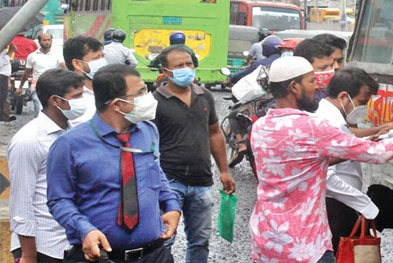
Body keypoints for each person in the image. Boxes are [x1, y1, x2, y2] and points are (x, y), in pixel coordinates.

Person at [250, 56, 393, 263]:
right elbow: (377, 154)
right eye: (311, 81)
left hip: (267, 239)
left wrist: (350, 149)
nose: (317, 87)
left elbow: (300, 165)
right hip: (304, 245)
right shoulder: (312, 128)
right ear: (294, 87)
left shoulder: (261, 126)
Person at [47, 64, 181, 263]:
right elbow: (59, 199)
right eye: (140, 93)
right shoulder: (69, 144)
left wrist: (172, 205)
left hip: (154, 255)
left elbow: (155, 172)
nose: (149, 97)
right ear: (116, 104)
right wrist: (84, 229)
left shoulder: (148, 131)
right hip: (99, 258)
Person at [152, 46, 235, 262]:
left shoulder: (204, 95)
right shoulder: (155, 102)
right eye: (179, 66)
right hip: (169, 183)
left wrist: (224, 171)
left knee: (200, 242)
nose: (186, 69)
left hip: (201, 182)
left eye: (189, 64)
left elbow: (215, 133)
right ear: (166, 71)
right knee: (163, 241)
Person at [9, 69, 85, 263]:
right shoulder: (30, 140)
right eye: (76, 96)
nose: (82, 101)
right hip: (43, 246)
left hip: (70, 242)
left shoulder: (72, 131)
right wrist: (27, 254)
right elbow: (21, 200)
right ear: (55, 101)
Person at [315, 68, 383, 253]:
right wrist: (362, 203)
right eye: (362, 102)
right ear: (344, 97)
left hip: (338, 204)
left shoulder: (332, 117)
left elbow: (346, 150)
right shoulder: (331, 122)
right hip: (336, 205)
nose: (364, 108)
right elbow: (326, 177)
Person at [16, 33, 65, 116]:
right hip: (37, 86)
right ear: (39, 41)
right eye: (44, 40)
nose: (47, 42)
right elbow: (27, 73)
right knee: (39, 108)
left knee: (53, 108)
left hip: (53, 85)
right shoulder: (32, 56)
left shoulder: (57, 55)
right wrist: (21, 86)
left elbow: (64, 67)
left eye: (49, 40)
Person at [62, 37, 107, 125]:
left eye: (102, 56)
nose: (102, 61)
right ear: (77, 64)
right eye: (96, 58)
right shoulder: (65, 97)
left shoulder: (110, 89)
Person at [1, 43, 17, 122]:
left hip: (4, 78)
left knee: (4, 98)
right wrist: (9, 53)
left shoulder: (3, 52)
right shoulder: (2, 53)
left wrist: (8, 81)